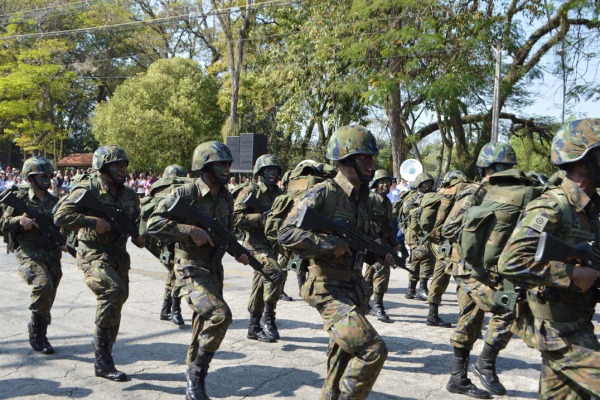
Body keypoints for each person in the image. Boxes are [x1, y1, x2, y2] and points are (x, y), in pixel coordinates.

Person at [278, 125, 392, 399]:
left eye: (371, 158)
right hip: (327, 288)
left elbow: (360, 241)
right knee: (372, 350)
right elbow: (286, 233)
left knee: (341, 355)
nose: (371, 163)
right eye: (364, 158)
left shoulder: (364, 198)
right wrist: (329, 244)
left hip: (353, 289)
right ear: (345, 160)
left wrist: (380, 252)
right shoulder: (324, 192)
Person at [499, 118, 600, 399]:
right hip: (558, 331)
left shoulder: (590, 208)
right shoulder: (552, 205)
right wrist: (570, 274)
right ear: (582, 161)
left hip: (578, 323)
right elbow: (511, 261)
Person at [147, 141, 249, 400]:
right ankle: (196, 375)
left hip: (213, 268)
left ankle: (193, 375)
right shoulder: (185, 193)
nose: (227, 169)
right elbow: (153, 224)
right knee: (220, 315)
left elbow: (225, 233)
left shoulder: (226, 197)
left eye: (228, 164)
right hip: (189, 266)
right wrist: (189, 230)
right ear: (204, 167)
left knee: (203, 321)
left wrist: (239, 252)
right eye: (220, 164)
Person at [54, 145, 145, 381]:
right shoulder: (89, 188)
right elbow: (60, 214)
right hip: (92, 252)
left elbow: (137, 222)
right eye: (116, 165)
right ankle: (102, 360)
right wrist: (93, 221)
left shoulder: (129, 195)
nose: (122, 169)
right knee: (113, 292)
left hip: (118, 254)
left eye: (124, 165)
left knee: (118, 298)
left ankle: (106, 353)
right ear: (103, 167)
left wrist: (140, 236)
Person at [441, 142, 519, 398]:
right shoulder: (476, 192)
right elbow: (449, 229)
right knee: (507, 308)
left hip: (492, 269)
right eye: (499, 167)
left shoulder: (516, 194)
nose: (504, 171)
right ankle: (485, 364)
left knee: (469, 320)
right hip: (467, 268)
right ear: (487, 168)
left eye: (508, 167)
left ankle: (458, 379)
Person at [0, 156, 66, 355]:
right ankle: (37, 334)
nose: (47, 179)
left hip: (51, 253)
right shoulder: (18, 200)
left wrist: (64, 241)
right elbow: (2, 224)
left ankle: (41, 329)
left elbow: (65, 226)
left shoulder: (55, 201)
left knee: (50, 292)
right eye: (41, 176)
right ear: (30, 178)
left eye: (49, 175)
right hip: (28, 252)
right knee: (42, 285)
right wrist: (18, 220)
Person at [234, 154, 287, 343]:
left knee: (259, 285)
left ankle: (253, 327)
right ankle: (269, 318)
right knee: (275, 273)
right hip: (254, 245)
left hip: (272, 245)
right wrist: (260, 218)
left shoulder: (280, 195)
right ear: (260, 172)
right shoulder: (251, 191)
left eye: (275, 170)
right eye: (268, 169)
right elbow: (235, 218)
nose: (272, 173)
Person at [365, 169, 401, 322]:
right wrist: (373, 238)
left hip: (383, 240)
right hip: (372, 241)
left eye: (387, 182)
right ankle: (378, 306)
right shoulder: (370, 199)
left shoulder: (387, 202)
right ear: (376, 184)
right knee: (382, 271)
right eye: (382, 182)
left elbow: (388, 226)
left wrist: (395, 244)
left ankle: (364, 302)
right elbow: (364, 220)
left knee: (370, 273)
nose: (385, 185)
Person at [403, 172, 435, 301]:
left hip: (426, 234)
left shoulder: (432, 196)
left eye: (430, 183)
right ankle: (414, 288)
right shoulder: (412, 197)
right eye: (425, 183)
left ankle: (420, 287)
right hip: (414, 234)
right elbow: (406, 210)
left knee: (425, 260)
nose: (428, 186)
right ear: (419, 184)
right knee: (419, 260)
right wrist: (419, 209)